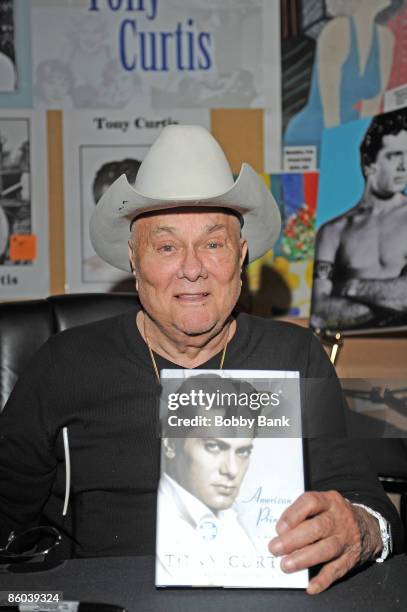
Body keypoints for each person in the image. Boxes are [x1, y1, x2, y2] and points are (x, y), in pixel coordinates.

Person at [0, 125, 402, 596]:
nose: (192, 268)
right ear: (134, 260)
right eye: (167, 246)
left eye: (213, 243)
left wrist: (359, 526)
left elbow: (369, 505)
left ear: (241, 255)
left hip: (264, 601)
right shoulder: (63, 365)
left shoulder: (296, 356)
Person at [311, 109, 407, 331]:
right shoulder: (333, 231)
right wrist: (392, 304)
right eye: (394, 156)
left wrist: (349, 287)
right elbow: (320, 312)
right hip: (355, 352)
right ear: (368, 162)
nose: (404, 166)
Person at [157, 376, 259, 585]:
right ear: (169, 444)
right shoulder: (164, 525)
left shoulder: (238, 521)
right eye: (214, 447)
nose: (231, 470)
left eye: (242, 452)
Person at [284, 0, 398, 148]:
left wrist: (362, 143)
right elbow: (330, 108)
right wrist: (340, 146)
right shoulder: (336, 31)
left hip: (352, 132)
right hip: (316, 132)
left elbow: (372, 107)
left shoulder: (385, 38)